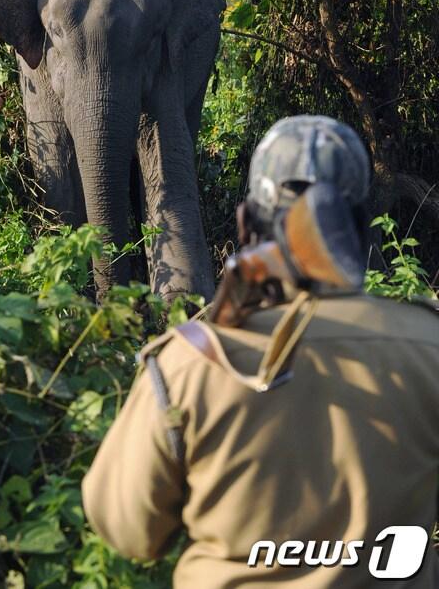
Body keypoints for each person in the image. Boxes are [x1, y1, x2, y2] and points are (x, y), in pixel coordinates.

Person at [82, 115, 439, 588]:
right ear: (359, 228)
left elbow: (127, 530)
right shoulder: (429, 347)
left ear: (247, 224)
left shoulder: (190, 363)